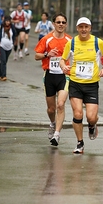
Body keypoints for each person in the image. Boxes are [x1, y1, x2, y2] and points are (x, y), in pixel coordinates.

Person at [60, 17, 103, 154]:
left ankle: (92, 125)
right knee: (77, 113)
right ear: (77, 28)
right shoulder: (71, 43)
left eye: (86, 27)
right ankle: (80, 143)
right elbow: (62, 60)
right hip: (75, 83)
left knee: (91, 117)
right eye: (81, 27)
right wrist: (64, 66)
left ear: (90, 28)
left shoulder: (97, 42)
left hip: (92, 85)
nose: (83, 29)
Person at [35, 12, 72, 146]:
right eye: (58, 22)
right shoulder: (47, 39)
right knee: (51, 109)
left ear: (66, 25)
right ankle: (53, 123)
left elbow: (78, 55)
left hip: (64, 76)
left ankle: (56, 134)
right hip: (50, 75)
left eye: (63, 22)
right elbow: (36, 56)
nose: (61, 24)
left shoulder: (70, 40)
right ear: (53, 24)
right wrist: (47, 54)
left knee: (60, 104)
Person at [0, 16, 16, 81]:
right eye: (6, 21)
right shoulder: (1, 27)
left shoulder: (12, 28)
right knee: (3, 60)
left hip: (9, 47)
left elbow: (15, 35)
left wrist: (13, 43)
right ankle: (3, 75)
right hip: (2, 46)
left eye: (9, 21)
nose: (7, 22)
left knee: (4, 61)